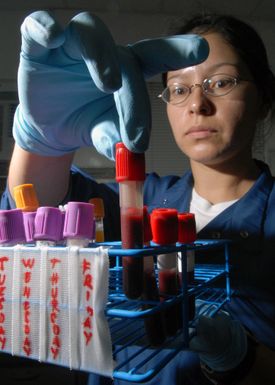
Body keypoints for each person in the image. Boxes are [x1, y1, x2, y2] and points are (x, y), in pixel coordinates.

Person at [1, 10, 275, 385]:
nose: (197, 104)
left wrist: (238, 356)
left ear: (264, 98)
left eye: (221, 82)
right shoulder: (138, 201)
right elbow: (35, 209)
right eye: (179, 89)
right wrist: (45, 140)